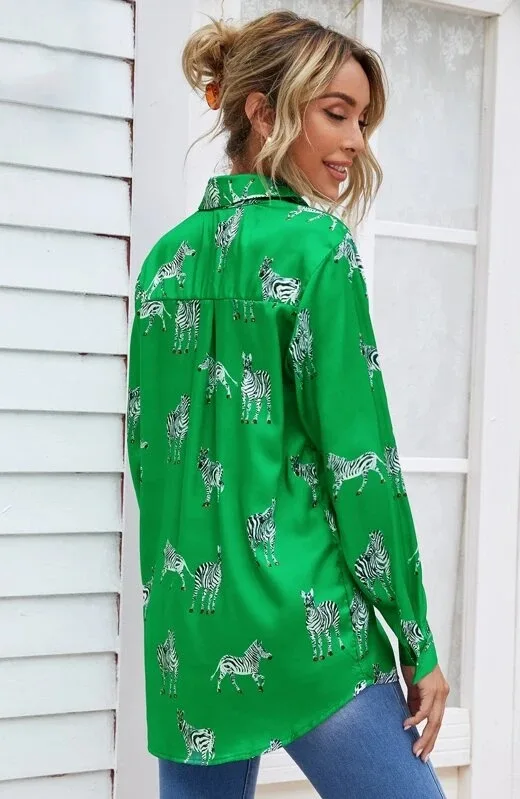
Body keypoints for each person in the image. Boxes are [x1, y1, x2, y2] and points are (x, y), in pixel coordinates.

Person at [127, 10, 450, 799]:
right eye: (336, 113)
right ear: (263, 113)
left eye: (362, 121)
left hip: (189, 630)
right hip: (303, 620)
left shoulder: (164, 263)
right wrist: (415, 637)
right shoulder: (318, 250)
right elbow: (361, 464)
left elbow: (152, 459)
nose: (356, 142)